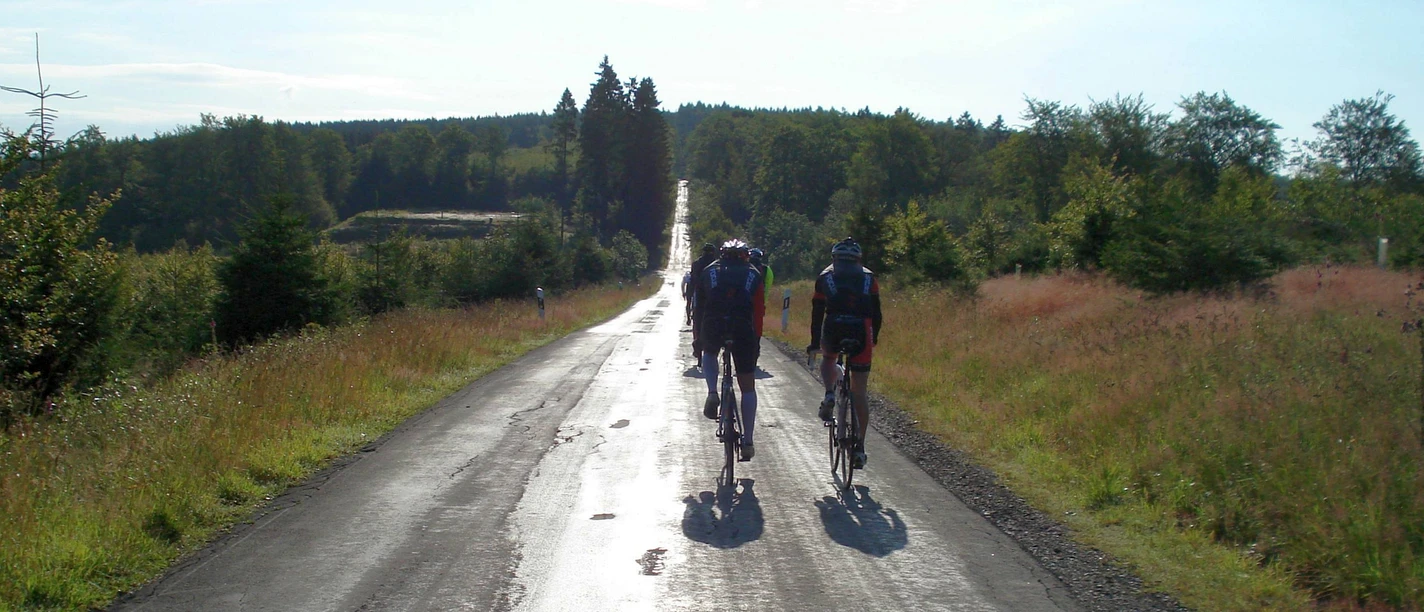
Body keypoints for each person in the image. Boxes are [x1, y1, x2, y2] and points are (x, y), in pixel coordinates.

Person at [807, 237, 881, 469]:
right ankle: (859, 446)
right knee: (859, 392)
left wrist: (813, 342)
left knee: (829, 358)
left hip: (834, 327)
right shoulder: (870, 278)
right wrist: (873, 339)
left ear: (834, 258)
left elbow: (817, 314)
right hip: (861, 330)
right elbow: (877, 314)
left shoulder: (825, 276)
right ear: (858, 259)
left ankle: (830, 393)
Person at [693, 239, 766, 461]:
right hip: (742, 327)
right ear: (746, 256)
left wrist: (698, 338)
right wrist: (756, 340)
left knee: (710, 353)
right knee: (747, 387)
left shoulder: (708, 271)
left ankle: (713, 393)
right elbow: (759, 311)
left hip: (714, 323)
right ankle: (748, 441)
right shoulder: (755, 273)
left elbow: (698, 308)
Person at [688, 243, 719, 363]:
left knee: (697, 321)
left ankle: (697, 345)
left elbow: (692, 281)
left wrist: (689, 297)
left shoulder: (696, 264)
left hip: (699, 296)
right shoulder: (717, 264)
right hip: (715, 296)